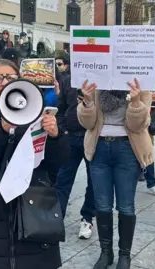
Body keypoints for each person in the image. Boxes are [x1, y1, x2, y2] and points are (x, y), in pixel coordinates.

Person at [0, 59, 69, 269]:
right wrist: (1, 130)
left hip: (34, 204)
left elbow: (58, 161)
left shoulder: (36, 113)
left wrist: (56, 136)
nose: (4, 82)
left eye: (11, 78)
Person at [78, 79, 153, 269]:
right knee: (102, 204)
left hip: (128, 148)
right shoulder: (97, 80)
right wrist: (87, 101)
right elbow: (88, 123)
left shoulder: (140, 79)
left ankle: (124, 255)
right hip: (99, 147)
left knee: (126, 205)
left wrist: (135, 102)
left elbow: (140, 125)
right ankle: (106, 252)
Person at [55, 74, 96, 239]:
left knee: (93, 181)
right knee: (62, 180)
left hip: (91, 135)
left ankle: (87, 218)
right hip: (70, 136)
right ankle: (56, 219)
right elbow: (61, 107)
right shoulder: (67, 79)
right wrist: (62, 130)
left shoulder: (100, 77)